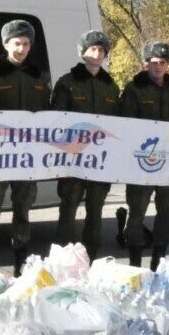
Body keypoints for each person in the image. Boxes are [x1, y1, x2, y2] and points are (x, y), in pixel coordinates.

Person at [0, 19, 51, 275]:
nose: (22, 49)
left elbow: (46, 114)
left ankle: (21, 262)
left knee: (23, 207)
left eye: (26, 44)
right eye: (17, 43)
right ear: (6, 44)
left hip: (28, 156)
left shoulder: (39, 76)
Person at [120, 42, 169, 272]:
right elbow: (126, 125)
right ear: (146, 63)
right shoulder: (134, 89)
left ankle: (158, 261)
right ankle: (135, 262)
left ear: (168, 65)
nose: (158, 66)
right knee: (136, 212)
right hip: (141, 163)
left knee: (166, 213)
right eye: (153, 62)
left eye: (163, 63)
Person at [51, 30, 121, 261]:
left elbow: (118, 123)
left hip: (100, 160)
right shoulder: (67, 82)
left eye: (101, 50)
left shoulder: (110, 86)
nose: (97, 54)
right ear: (82, 52)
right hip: (72, 158)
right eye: (92, 49)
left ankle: (92, 254)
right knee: (69, 206)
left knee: (96, 208)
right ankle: (64, 255)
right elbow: (57, 119)